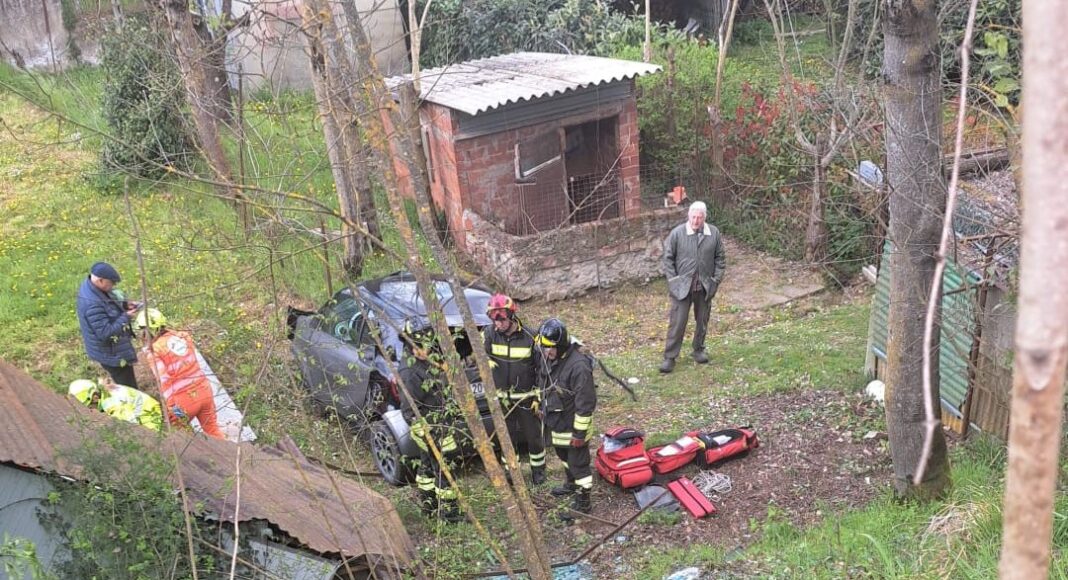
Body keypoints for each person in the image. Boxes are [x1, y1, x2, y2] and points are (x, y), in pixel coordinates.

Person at [399, 321, 464, 523]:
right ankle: (449, 514)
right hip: (430, 425)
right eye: (419, 346)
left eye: (426, 344)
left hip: (439, 420)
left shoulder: (427, 360)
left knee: (428, 468)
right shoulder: (409, 372)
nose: (424, 350)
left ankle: (429, 506)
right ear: (410, 346)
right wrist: (426, 434)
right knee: (445, 465)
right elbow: (409, 410)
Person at [483, 294, 546, 485]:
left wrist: (539, 397)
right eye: (493, 318)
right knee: (507, 439)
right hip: (502, 399)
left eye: (501, 318)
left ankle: (539, 474)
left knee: (534, 438)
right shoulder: (489, 334)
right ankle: (513, 474)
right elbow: (481, 359)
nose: (497, 323)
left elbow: (542, 369)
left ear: (511, 315)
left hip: (527, 398)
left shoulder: (530, 336)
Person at [135, 308, 225, 440]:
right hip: (204, 390)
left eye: (142, 331)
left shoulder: (154, 351)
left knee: (182, 437)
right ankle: (231, 457)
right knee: (213, 430)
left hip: (182, 401)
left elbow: (163, 380)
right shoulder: (184, 336)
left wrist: (172, 407)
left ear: (148, 330)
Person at [537, 318, 596, 515]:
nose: (547, 352)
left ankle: (583, 501)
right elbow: (545, 384)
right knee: (564, 458)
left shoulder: (578, 366)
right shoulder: (552, 359)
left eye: (550, 348)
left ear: (561, 345)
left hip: (574, 427)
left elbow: (585, 404)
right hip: (558, 423)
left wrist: (579, 435)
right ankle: (571, 484)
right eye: (544, 348)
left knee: (579, 466)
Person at [659, 201, 726, 374]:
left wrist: (715, 280)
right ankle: (670, 357)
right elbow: (667, 259)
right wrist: (673, 281)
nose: (696, 221)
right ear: (688, 216)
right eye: (693, 217)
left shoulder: (714, 233)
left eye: (699, 217)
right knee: (677, 322)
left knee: (702, 321)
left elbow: (720, 258)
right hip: (682, 287)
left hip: (704, 286)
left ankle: (698, 349)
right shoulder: (677, 234)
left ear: (705, 218)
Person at [76, 262, 141, 388]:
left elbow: (107, 306)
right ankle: (134, 405)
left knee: (127, 381)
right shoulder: (92, 304)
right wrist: (126, 317)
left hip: (112, 350)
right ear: (100, 280)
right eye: (111, 283)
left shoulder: (93, 287)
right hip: (112, 355)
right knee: (129, 387)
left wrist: (124, 305)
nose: (113, 286)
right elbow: (106, 333)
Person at [68, 378, 163, 431]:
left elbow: (131, 423)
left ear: (95, 398)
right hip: (151, 406)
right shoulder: (107, 389)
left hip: (151, 419)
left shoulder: (111, 406)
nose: (90, 409)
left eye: (89, 406)